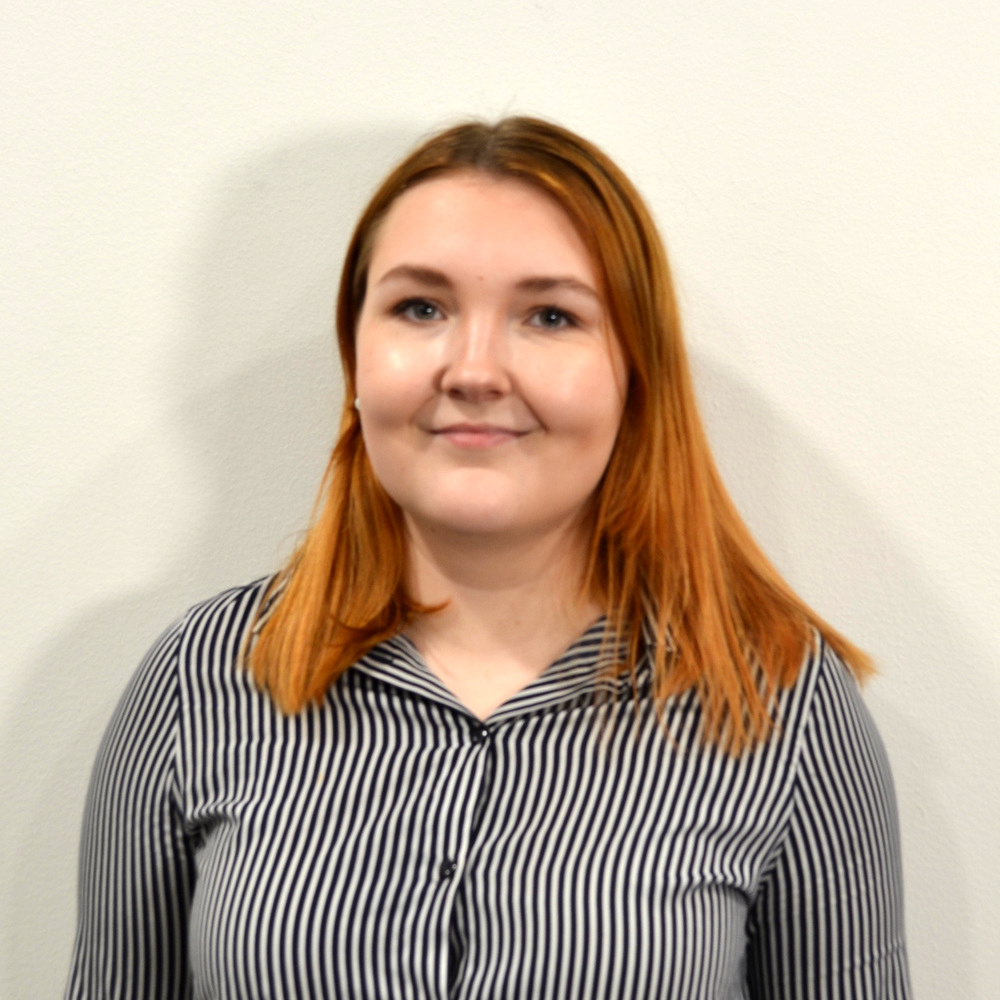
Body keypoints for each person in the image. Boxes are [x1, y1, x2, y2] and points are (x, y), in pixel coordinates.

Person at [65, 117, 912, 999]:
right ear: (355, 355)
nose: (473, 371)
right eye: (420, 309)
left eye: (550, 316)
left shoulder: (782, 700)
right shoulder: (201, 680)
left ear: (635, 375)